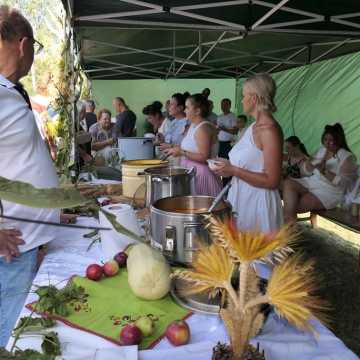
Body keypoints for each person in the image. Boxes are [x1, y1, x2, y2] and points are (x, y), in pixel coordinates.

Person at [0, 5, 60, 346]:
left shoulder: (9, 92)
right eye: (35, 50)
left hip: (27, 242)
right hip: (11, 250)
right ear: (23, 45)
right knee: (14, 341)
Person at [212, 73, 283, 233]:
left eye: (244, 96)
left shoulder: (269, 131)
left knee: (256, 255)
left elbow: (272, 181)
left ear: (255, 98)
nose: (242, 100)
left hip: (258, 203)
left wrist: (233, 170)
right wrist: (226, 165)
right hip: (242, 197)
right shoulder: (252, 127)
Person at [283, 123, 358, 224]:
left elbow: (345, 184)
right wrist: (308, 165)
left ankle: (288, 225)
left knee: (296, 205)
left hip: (329, 192)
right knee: (288, 183)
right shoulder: (322, 150)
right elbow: (306, 172)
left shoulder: (347, 157)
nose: (328, 143)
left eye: (331, 140)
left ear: (339, 140)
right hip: (313, 182)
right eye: (325, 139)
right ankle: (289, 223)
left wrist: (325, 171)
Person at [164, 94, 221, 196]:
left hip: (202, 176)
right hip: (192, 173)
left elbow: (204, 157)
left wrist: (181, 152)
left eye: (187, 107)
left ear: (197, 111)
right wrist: (173, 148)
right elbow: (190, 148)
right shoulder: (193, 125)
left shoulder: (203, 128)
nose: (185, 110)